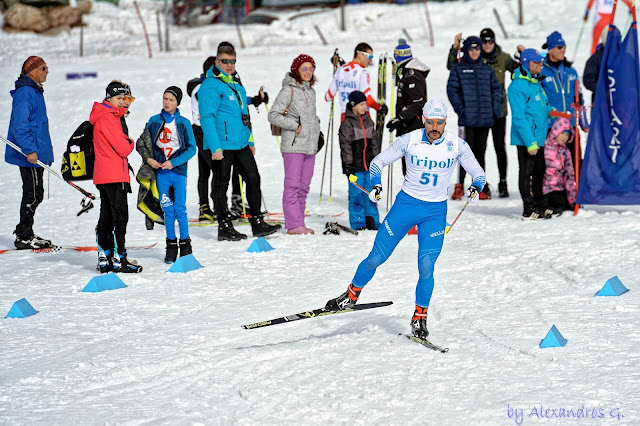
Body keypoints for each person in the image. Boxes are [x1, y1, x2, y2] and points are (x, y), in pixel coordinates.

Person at [325, 100, 486, 340]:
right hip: (406, 206)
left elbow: (479, 173)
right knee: (376, 257)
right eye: (430, 121)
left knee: (426, 266)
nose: (435, 127)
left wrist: (475, 187)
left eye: (439, 123)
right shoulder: (409, 139)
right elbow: (378, 162)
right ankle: (351, 294)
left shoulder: (456, 145)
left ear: (445, 123)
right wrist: (376, 183)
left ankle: (419, 317)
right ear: (423, 119)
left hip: (435, 212)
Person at [199, 42, 281, 241]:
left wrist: (250, 140)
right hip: (222, 145)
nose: (229, 65)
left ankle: (257, 222)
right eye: (225, 61)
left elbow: (245, 115)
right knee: (221, 184)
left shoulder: (236, 84)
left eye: (232, 61)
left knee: (253, 178)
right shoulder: (210, 85)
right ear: (217, 61)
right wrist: (215, 147)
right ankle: (224, 226)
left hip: (241, 143)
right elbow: (207, 117)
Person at [138, 86, 197, 263]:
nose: (167, 102)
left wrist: (174, 162)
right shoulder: (154, 121)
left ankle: (185, 245)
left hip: (178, 172)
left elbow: (191, 148)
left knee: (180, 208)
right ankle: (171, 245)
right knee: (167, 210)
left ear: (177, 102)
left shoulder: (184, 123)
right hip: (161, 173)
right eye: (165, 98)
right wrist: (149, 159)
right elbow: (142, 143)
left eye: (171, 99)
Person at [91, 81, 142, 273]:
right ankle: (119, 258)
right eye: (119, 98)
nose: (124, 102)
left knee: (107, 216)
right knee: (119, 218)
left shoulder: (104, 116)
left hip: (105, 174)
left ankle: (105, 258)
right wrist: (129, 141)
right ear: (109, 98)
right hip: (113, 174)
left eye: (127, 98)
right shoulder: (109, 118)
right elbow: (123, 148)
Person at [268, 54, 321, 235]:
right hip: (293, 146)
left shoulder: (311, 92)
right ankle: (294, 224)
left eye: (311, 68)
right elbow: (273, 114)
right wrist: (295, 126)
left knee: (304, 186)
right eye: (304, 68)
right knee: (292, 185)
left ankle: (300, 223)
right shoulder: (288, 90)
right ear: (296, 69)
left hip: (310, 146)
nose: (308, 72)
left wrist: (315, 125)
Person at [6, 56, 54, 249]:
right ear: (32, 71)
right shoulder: (26, 92)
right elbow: (20, 125)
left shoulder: (34, 91)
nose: (47, 71)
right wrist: (30, 150)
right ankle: (24, 236)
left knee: (35, 193)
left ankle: (26, 233)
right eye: (43, 68)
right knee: (33, 194)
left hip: (35, 154)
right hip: (29, 156)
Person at [447, 36, 501, 200]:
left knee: (480, 153)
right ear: (466, 50)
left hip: (484, 120)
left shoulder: (487, 69)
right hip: (467, 120)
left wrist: (494, 110)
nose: (475, 52)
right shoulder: (459, 69)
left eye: (477, 49)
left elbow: (496, 91)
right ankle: (459, 186)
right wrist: (461, 110)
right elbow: (452, 91)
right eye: (471, 49)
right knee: (464, 154)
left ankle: (479, 186)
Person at [508, 49, 553, 221]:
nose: (541, 65)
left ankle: (540, 204)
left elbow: (542, 105)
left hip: (539, 138)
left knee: (539, 172)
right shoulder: (517, 86)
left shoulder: (535, 83)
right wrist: (530, 142)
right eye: (537, 63)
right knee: (526, 173)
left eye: (541, 62)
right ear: (527, 64)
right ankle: (528, 208)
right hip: (528, 140)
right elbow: (519, 117)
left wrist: (553, 112)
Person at [540, 31, 588, 163]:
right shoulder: (541, 71)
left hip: (570, 126)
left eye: (565, 47)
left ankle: (574, 185)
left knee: (573, 162)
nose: (563, 51)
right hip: (551, 126)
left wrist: (584, 123)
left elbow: (580, 99)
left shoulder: (571, 71)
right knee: (553, 165)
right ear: (550, 49)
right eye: (559, 47)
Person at [386, 38, 430, 176]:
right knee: (408, 168)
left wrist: (401, 117)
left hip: (414, 127)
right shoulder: (405, 73)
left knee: (413, 168)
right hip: (408, 127)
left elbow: (418, 102)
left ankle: (417, 196)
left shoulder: (411, 75)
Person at [339, 90, 380, 230]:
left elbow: (374, 143)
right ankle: (358, 223)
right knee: (356, 196)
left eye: (365, 104)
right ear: (353, 105)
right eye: (361, 104)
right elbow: (345, 147)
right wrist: (348, 165)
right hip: (355, 168)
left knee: (371, 194)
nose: (364, 107)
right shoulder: (347, 124)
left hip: (369, 167)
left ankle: (372, 221)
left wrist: (377, 161)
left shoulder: (369, 121)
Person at [324, 42, 387, 122]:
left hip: (345, 117)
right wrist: (379, 108)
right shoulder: (362, 73)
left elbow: (328, 97)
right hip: (361, 117)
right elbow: (368, 98)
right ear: (359, 54)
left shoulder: (340, 70)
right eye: (369, 56)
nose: (371, 60)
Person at [187, 56, 216, 222]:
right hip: (202, 131)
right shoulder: (201, 88)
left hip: (204, 131)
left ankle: (204, 206)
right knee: (216, 170)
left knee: (205, 171)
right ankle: (212, 207)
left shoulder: (203, 86)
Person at [542, 118, 577, 217]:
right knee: (554, 203)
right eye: (562, 133)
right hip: (546, 188)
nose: (564, 137)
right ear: (556, 132)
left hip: (560, 188)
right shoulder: (545, 148)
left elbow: (570, 174)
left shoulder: (565, 151)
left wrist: (572, 196)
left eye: (567, 135)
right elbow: (537, 170)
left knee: (566, 205)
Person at [583, 26, 609, 105]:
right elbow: (588, 80)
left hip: (621, 103)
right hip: (602, 103)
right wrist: (604, 90)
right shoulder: (596, 59)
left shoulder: (623, 57)